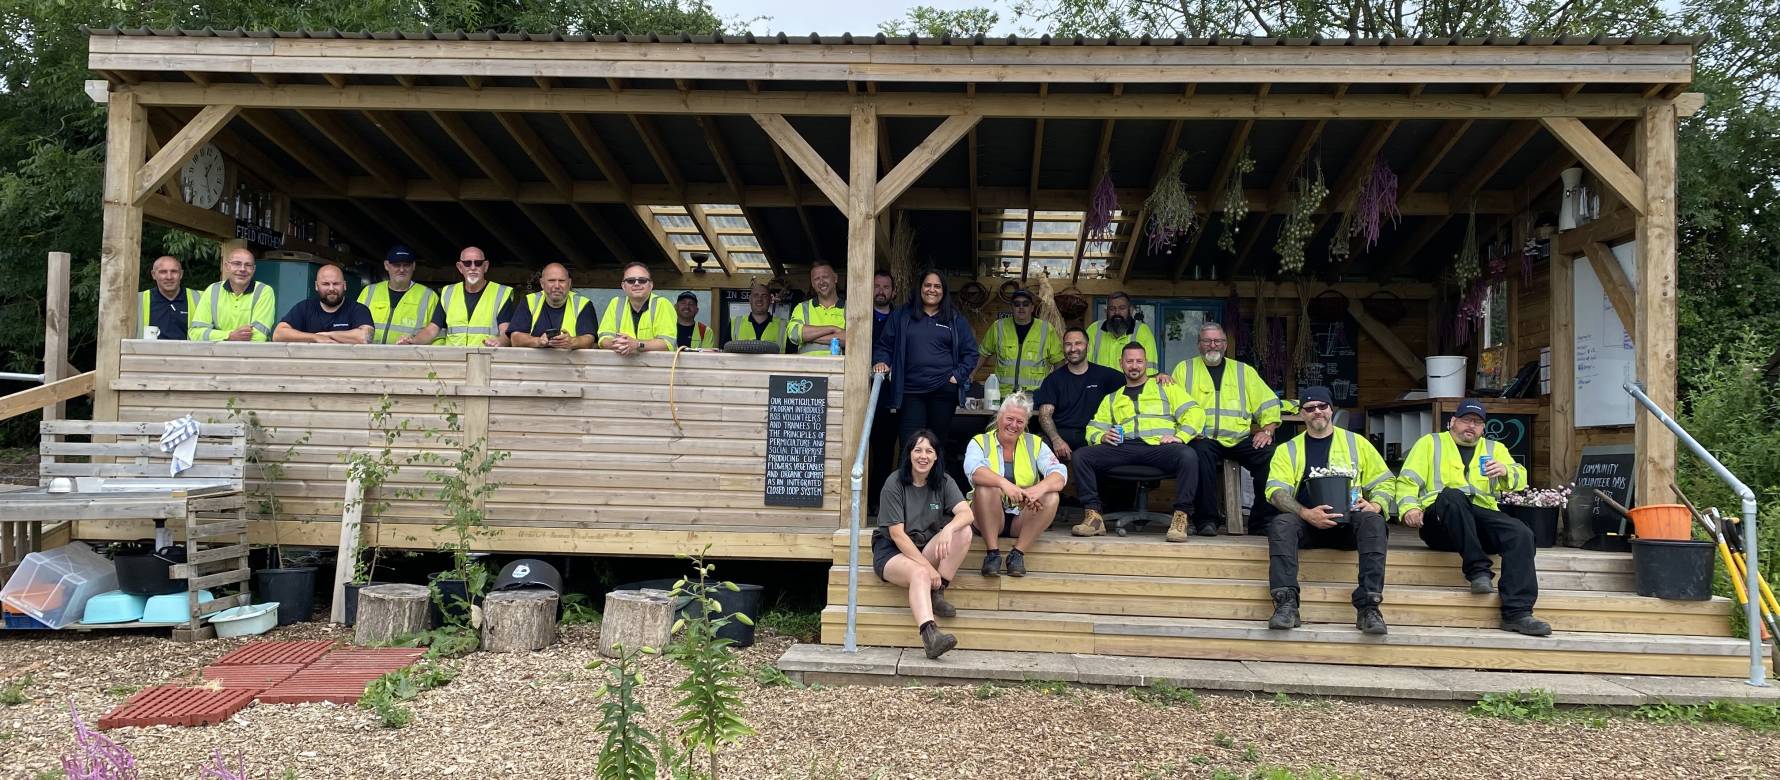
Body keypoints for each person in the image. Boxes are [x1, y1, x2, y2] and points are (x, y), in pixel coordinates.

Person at [1398, 399, 1551, 636]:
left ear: (1483, 428)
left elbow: (1521, 478)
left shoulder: (1494, 449)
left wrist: (1506, 471)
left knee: (1521, 533)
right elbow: (1407, 480)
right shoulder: (1430, 443)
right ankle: (1478, 571)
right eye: (1467, 420)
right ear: (1452, 422)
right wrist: (1409, 508)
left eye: (1478, 422)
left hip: (1479, 520)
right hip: (1440, 523)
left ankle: (1517, 613)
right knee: (1452, 496)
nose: (1472, 426)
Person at [1261, 386, 1394, 635]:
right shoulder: (1288, 449)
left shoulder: (1357, 443)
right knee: (1281, 523)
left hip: (1349, 523)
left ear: (1331, 409)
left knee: (1374, 522)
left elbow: (1385, 481)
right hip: (1307, 525)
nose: (1317, 412)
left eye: (1322, 406)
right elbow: (1276, 492)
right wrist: (1306, 514)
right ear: (1302, 414)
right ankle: (1286, 604)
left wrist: (1375, 504)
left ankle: (1369, 607)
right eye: (1310, 408)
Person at [1070, 342, 1205, 542]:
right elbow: (1093, 427)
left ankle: (1181, 517)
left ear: (1146, 364)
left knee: (1188, 455)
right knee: (1081, 455)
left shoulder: (1165, 387)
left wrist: (1180, 437)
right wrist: (1102, 436)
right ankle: (1094, 517)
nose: (1134, 366)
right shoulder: (1112, 398)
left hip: (1160, 447)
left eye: (1139, 361)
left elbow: (1194, 412)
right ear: (1121, 364)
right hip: (1124, 448)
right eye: (1129, 361)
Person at [1171, 321, 1284, 536]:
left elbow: (1268, 403)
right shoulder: (1184, 369)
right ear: (1198, 344)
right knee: (1198, 456)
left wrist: (1267, 430)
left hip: (1240, 438)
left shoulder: (1244, 371)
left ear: (1225, 344)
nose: (1212, 345)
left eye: (1218, 341)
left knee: (1271, 455)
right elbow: (1172, 403)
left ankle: (1262, 520)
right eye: (1207, 341)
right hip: (1203, 437)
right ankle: (1206, 520)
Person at [873, 429, 974, 660]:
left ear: (936, 456)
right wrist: (929, 569)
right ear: (909, 454)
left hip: (925, 545)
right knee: (919, 573)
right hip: (892, 551)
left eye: (929, 451)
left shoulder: (943, 481)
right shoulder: (895, 482)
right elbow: (897, 535)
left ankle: (937, 593)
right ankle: (931, 637)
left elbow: (967, 513)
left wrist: (948, 528)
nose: (923, 456)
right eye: (917, 450)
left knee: (963, 531)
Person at [873, 269, 980, 456]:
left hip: (943, 393)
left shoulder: (954, 319)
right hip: (910, 392)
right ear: (920, 288)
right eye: (928, 285)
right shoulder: (901, 315)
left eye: (937, 286)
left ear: (944, 291)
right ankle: (907, 486)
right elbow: (884, 345)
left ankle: (934, 486)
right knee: (910, 447)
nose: (932, 290)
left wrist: (958, 375)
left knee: (935, 447)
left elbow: (971, 352)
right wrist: (882, 361)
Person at [966, 392, 1067, 578]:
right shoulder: (979, 441)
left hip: (1022, 517)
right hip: (986, 517)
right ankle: (992, 555)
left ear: (1026, 424)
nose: (1013, 425)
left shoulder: (1035, 443)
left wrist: (1037, 490)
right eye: (1009, 419)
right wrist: (1004, 484)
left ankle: (1017, 554)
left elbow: (1060, 474)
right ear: (999, 417)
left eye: (1020, 422)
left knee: (1051, 495)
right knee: (986, 485)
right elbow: (973, 470)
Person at [1035, 327, 1126, 463]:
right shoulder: (1053, 379)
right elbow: (1044, 415)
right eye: (1068, 344)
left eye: (1078, 343)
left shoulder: (1105, 375)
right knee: (1041, 447)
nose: (1073, 349)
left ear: (1087, 347)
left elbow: (1134, 379)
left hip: (1093, 435)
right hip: (1062, 434)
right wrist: (1056, 440)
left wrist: (1157, 377)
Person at [977, 289, 1062, 395]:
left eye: (1025, 304)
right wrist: (971, 375)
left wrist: (1056, 385)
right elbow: (983, 353)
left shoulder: (1046, 329)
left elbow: (1058, 360)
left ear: (1032, 308)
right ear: (1012, 308)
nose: (1021, 307)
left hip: (1035, 395)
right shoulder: (998, 327)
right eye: (1017, 304)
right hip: (1004, 395)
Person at [357, 244, 439, 345]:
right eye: (396, 265)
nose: (401, 269)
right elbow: (353, 327)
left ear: (413, 266)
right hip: (370, 357)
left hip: (409, 359)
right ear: (386, 265)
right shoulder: (368, 292)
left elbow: (438, 338)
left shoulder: (429, 296)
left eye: (406, 265)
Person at [432, 246, 513, 347]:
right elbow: (432, 329)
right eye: (467, 263)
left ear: (486, 266)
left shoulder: (501, 293)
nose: (473, 267)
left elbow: (506, 333)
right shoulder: (448, 292)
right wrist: (413, 340)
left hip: (486, 358)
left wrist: (499, 341)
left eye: (478, 263)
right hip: (454, 359)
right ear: (460, 267)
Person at [272, 264, 374, 344]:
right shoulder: (304, 308)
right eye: (325, 284)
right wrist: (315, 337)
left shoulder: (358, 309)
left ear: (344, 285)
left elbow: (365, 337)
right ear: (316, 286)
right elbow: (278, 334)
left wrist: (326, 335)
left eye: (336, 284)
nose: (331, 288)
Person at [191, 247, 276, 342]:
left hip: (252, 355)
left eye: (248, 265)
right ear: (226, 266)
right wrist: (229, 335)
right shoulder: (212, 290)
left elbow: (259, 336)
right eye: (237, 264)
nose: (242, 269)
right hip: (217, 355)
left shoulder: (264, 291)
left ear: (254, 269)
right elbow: (195, 333)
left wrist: (217, 335)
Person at [866, 270, 899, 514]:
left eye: (886, 287)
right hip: (859, 393)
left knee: (885, 450)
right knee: (863, 449)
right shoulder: (860, 316)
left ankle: (879, 503)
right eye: (876, 286)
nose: (881, 291)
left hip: (889, 395)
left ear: (893, 292)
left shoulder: (900, 319)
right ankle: (863, 501)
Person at [509, 262, 594, 350]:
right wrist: (538, 341)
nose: (557, 286)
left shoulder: (583, 303)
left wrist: (571, 342)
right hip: (534, 362)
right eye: (551, 281)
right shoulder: (529, 301)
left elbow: (590, 340)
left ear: (569, 283)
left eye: (561, 281)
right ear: (542, 283)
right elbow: (515, 338)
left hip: (572, 362)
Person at [598, 261, 677, 355]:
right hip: (621, 366)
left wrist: (637, 344)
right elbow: (603, 338)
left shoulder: (662, 304)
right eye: (630, 280)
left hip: (657, 367)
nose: (636, 284)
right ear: (623, 286)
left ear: (651, 285)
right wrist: (619, 344)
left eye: (642, 280)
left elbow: (667, 343)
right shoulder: (615, 303)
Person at [1084, 292, 1159, 375]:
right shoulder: (1094, 329)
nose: (1117, 313)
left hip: (1129, 387)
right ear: (1106, 311)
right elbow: (1083, 363)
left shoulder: (1142, 331)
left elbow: (1150, 370)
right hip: (1098, 386)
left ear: (1130, 310)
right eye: (1112, 309)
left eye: (1122, 308)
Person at [789, 261, 846, 354]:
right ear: (812, 284)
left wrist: (809, 337)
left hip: (839, 367)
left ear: (835, 278)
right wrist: (832, 329)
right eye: (817, 279)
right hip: (806, 367)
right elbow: (794, 333)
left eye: (825, 277)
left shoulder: (849, 307)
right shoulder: (802, 307)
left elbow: (851, 338)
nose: (821, 282)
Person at [140, 255, 197, 340]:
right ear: (153, 275)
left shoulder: (200, 299)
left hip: (190, 352)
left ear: (181, 274)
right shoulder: (138, 300)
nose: (169, 277)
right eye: (163, 272)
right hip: (148, 352)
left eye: (174, 271)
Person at [730, 279, 787, 351]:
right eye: (755, 295)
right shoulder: (734, 324)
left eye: (764, 296)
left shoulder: (784, 326)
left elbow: (793, 357)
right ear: (750, 299)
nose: (759, 299)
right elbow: (723, 354)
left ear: (770, 300)